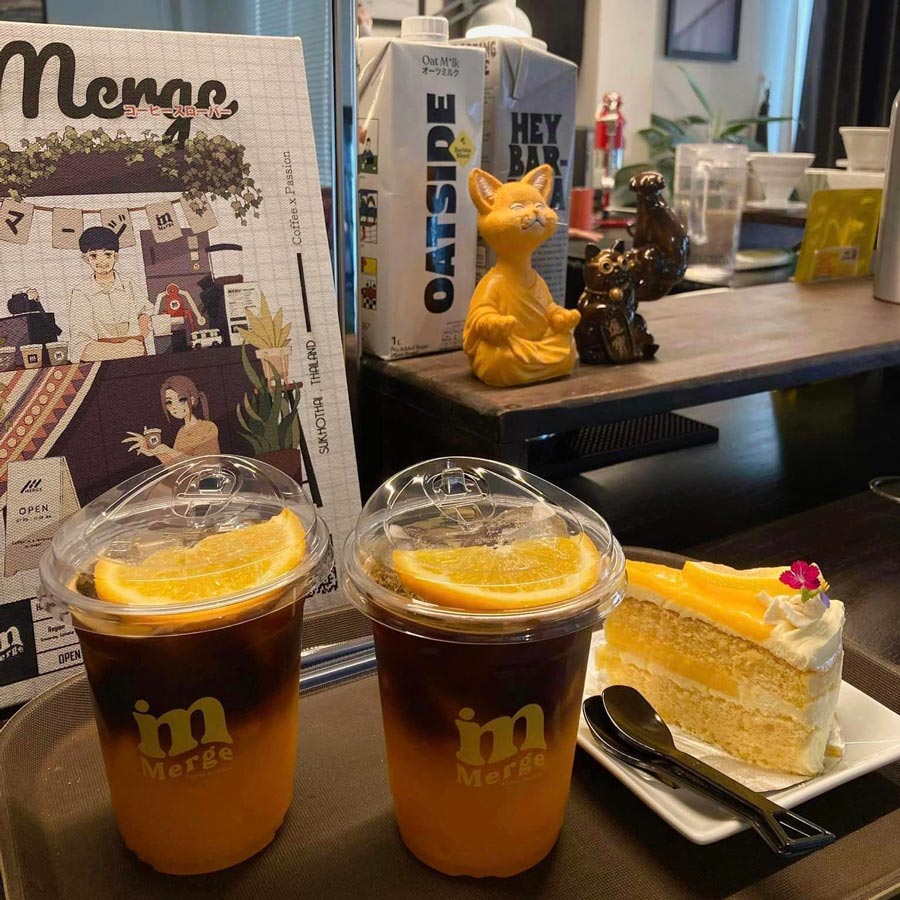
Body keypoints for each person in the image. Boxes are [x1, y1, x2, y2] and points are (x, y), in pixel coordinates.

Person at [68, 226, 153, 363]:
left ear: (116, 256)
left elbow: (147, 314)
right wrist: (121, 350)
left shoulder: (128, 285)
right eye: (94, 256)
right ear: (85, 259)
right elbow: (79, 346)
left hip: (137, 356)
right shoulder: (81, 292)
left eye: (107, 254)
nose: (102, 261)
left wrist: (139, 336)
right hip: (102, 362)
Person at [122, 375, 220, 464]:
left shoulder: (208, 427)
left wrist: (167, 450)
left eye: (181, 399)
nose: (175, 407)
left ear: (192, 400)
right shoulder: (182, 431)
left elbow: (203, 465)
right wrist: (155, 451)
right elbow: (174, 466)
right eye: (169, 402)